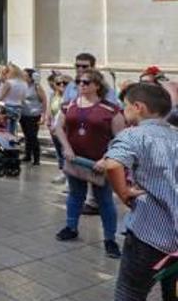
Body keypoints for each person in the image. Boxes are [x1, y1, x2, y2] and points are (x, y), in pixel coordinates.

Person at [103, 83, 178, 301]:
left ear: (138, 107)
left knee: (130, 292)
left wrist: (123, 192)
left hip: (149, 235)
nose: (122, 110)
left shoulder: (134, 135)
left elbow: (112, 164)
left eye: (124, 106)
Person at [53, 68, 125, 258]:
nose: (81, 85)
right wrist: (66, 147)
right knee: (75, 195)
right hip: (75, 160)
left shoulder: (111, 109)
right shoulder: (68, 105)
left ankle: (110, 239)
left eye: (86, 82)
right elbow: (58, 127)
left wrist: (106, 159)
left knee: (105, 201)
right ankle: (71, 227)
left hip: (100, 164)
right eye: (78, 82)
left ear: (97, 85)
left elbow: (121, 139)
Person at [46, 72, 72, 183]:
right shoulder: (53, 95)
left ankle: (69, 175)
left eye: (65, 83)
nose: (61, 85)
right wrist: (49, 122)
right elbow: (50, 108)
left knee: (65, 150)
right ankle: (62, 172)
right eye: (58, 83)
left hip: (65, 129)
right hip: (54, 127)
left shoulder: (71, 96)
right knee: (58, 151)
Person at [19, 68, 47, 165]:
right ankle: (27, 155)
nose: (23, 77)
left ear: (31, 78)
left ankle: (36, 158)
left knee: (32, 136)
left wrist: (43, 115)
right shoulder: (23, 86)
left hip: (34, 115)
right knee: (27, 136)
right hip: (23, 114)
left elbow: (44, 100)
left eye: (25, 75)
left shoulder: (36, 87)